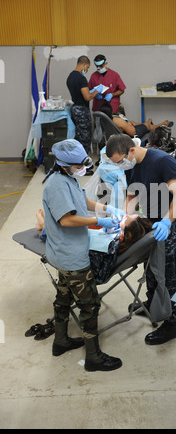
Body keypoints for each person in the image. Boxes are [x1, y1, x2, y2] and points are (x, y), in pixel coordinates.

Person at [42, 138, 126, 372]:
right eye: (79, 165)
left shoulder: (67, 178)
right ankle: (94, 357)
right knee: (89, 306)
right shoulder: (56, 185)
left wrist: (106, 207)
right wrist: (99, 220)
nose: (83, 168)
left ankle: (60, 341)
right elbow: (67, 219)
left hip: (62, 253)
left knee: (64, 297)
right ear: (63, 163)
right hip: (71, 256)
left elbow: (80, 200)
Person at [105, 134, 176, 345]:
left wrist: (167, 222)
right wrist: (124, 217)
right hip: (150, 222)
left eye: (120, 161)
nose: (120, 166)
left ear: (131, 150)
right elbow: (132, 194)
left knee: (169, 272)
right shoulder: (131, 165)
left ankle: (173, 322)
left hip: (168, 224)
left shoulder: (162, 161)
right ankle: (153, 305)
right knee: (150, 266)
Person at [66, 55, 103, 161]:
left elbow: (79, 93)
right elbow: (87, 97)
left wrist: (91, 91)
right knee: (85, 138)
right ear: (84, 64)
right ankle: (82, 164)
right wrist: (97, 91)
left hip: (75, 108)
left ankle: (77, 162)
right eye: (87, 68)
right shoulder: (81, 78)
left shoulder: (70, 77)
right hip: (82, 111)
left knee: (78, 137)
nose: (86, 70)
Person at [99, 102, 173, 140]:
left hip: (124, 132)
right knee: (148, 126)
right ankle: (161, 126)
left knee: (135, 123)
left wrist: (130, 123)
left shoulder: (104, 120)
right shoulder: (118, 121)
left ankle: (150, 123)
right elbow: (133, 132)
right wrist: (130, 125)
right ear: (111, 112)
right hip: (132, 135)